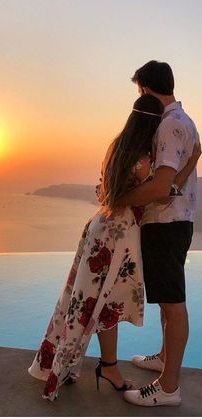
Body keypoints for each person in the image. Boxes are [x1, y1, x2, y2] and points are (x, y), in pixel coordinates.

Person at [28, 93, 199, 402]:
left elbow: (105, 191)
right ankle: (102, 367)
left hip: (99, 228)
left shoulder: (117, 146)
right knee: (99, 304)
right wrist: (190, 163)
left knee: (84, 301)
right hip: (118, 236)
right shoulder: (143, 158)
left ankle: (95, 366)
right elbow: (163, 193)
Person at [120, 60, 201, 407]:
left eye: (139, 90)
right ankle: (164, 357)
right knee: (168, 301)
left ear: (146, 90)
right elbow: (186, 165)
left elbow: (160, 187)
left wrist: (117, 197)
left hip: (166, 222)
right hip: (177, 221)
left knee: (173, 304)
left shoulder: (168, 126)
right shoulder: (185, 121)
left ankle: (168, 388)